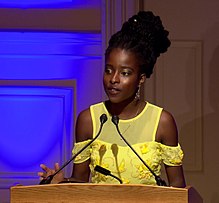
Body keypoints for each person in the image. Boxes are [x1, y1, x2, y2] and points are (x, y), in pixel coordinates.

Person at [38, 10, 186, 188]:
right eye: (109, 70)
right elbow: (81, 183)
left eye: (125, 73)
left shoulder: (162, 122)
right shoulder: (89, 120)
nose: (113, 79)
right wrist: (62, 182)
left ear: (141, 78)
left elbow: (178, 188)